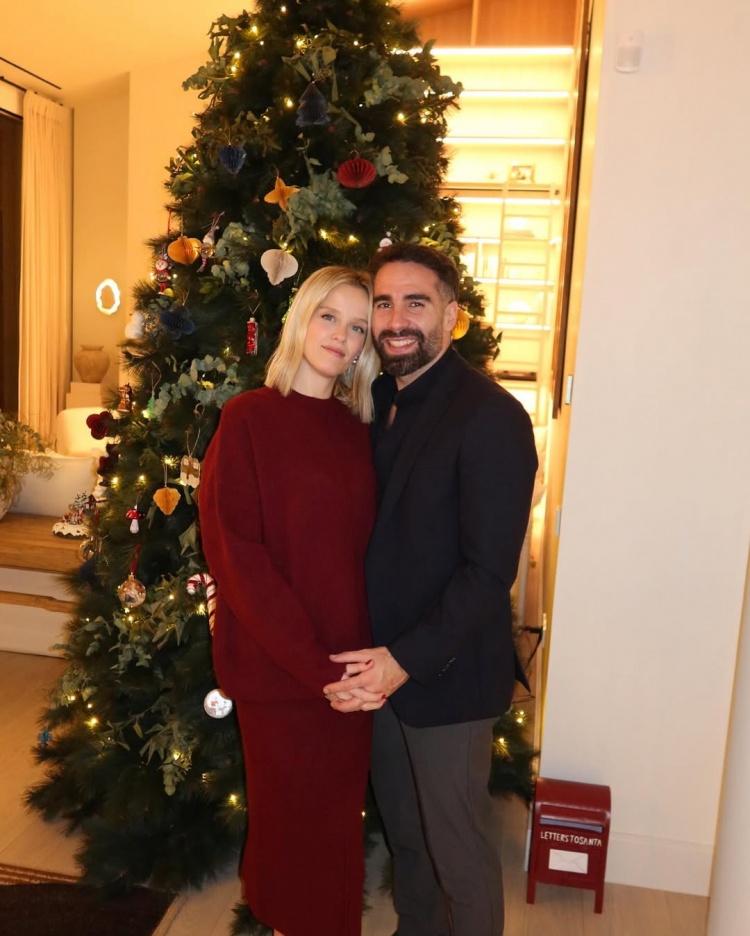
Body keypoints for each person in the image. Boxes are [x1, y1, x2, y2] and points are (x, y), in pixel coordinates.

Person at [323, 243, 539, 936]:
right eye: (384, 303)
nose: (395, 320)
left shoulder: (492, 416)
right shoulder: (380, 400)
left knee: (458, 852)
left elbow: (488, 573)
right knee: (408, 839)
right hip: (381, 672)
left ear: (451, 314)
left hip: (446, 679)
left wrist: (403, 661)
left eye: (415, 303)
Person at [199, 266, 382, 936]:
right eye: (329, 316)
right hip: (282, 673)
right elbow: (238, 559)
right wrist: (318, 669)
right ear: (302, 318)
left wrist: (364, 669)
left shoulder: (360, 429)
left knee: (332, 841)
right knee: (292, 840)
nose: (341, 336)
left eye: (357, 327)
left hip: (351, 676)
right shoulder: (248, 417)